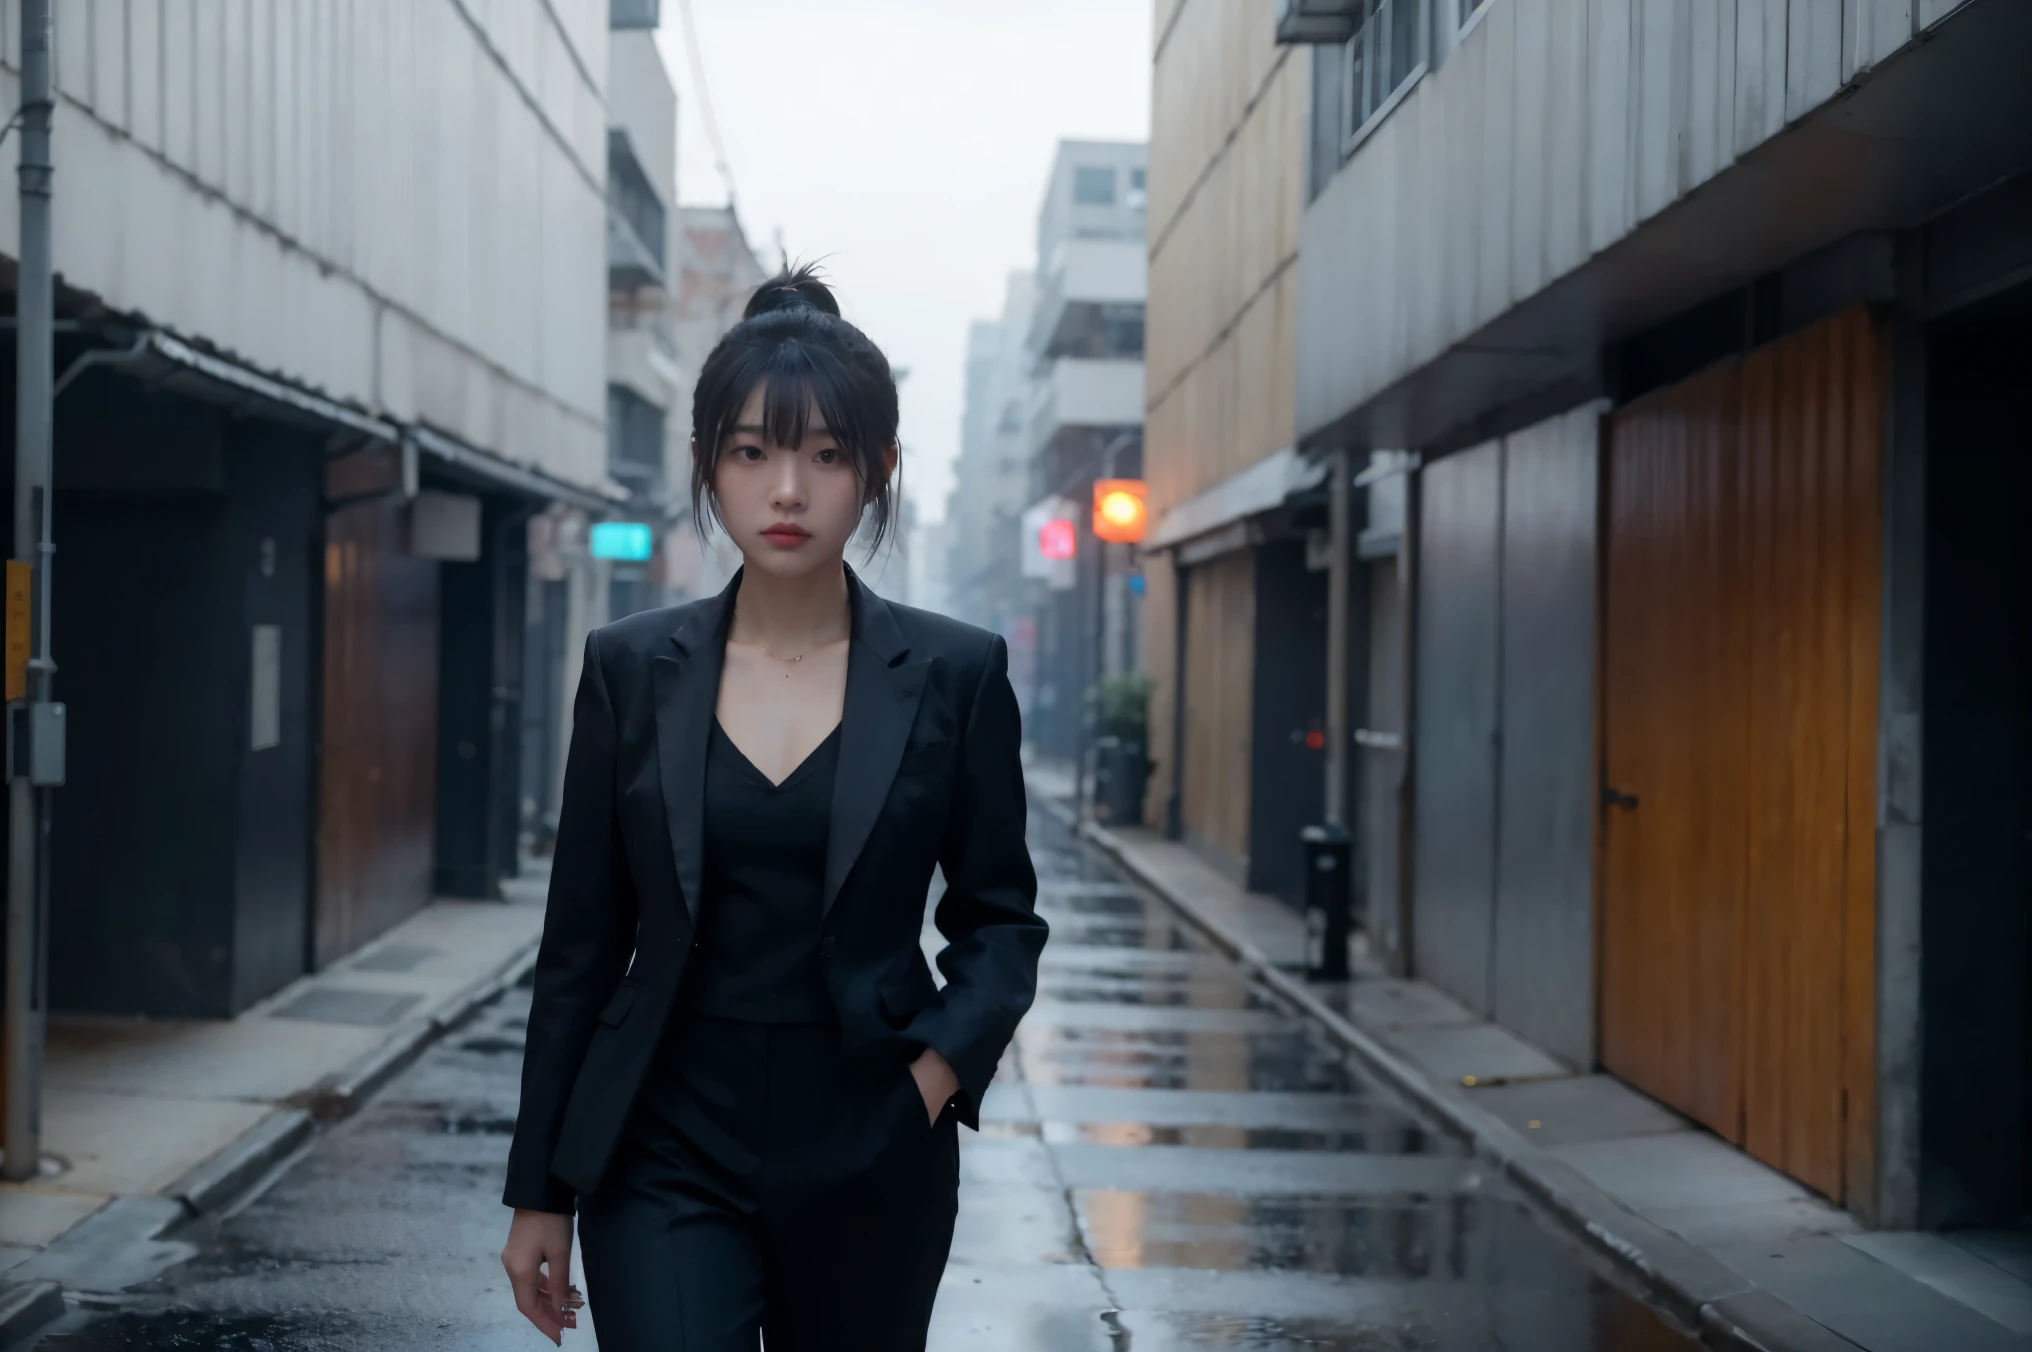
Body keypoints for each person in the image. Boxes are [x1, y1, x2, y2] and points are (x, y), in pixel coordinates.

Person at [498, 266, 1045, 1350]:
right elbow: (580, 946)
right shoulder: (628, 668)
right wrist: (539, 1189)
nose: (786, 489)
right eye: (751, 452)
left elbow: (1000, 920)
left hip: (870, 1136)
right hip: (663, 1132)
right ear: (708, 464)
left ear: (878, 469)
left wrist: (931, 1079)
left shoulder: (954, 673)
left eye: (825, 454)